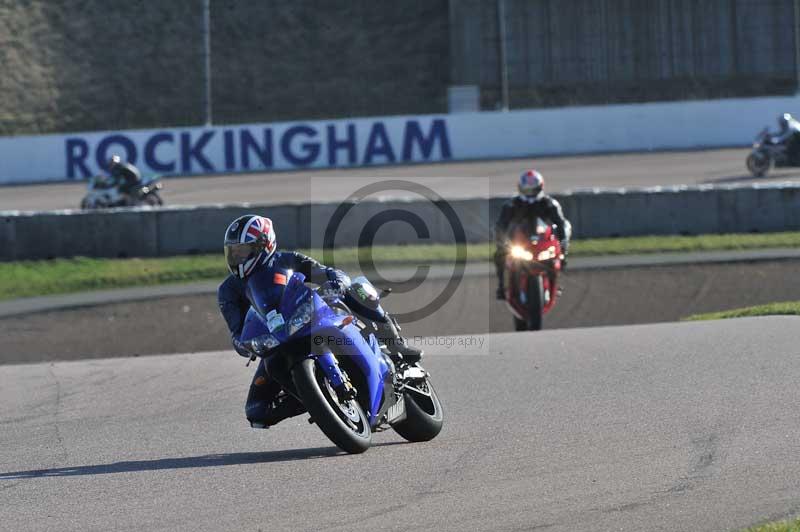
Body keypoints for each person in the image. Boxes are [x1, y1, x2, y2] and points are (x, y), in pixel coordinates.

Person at [218, 214, 423, 428]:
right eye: (232, 251)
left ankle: (395, 341)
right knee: (256, 411)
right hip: (277, 340)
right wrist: (243, 345)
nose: (236, 257)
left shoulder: (286, 260)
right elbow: (237, 330)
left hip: (309, 317)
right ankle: (316, 399)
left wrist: (336, 282)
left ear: (263, 244)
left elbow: (324, 272)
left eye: (242, 250)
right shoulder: (228, 291)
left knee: (357, 289)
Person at [494, 169, 572, 300]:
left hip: (543, 241)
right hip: (519, 242)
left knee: (560, 256)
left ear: (540, 187)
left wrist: (562, 244)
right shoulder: (511, 204)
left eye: (533, 189)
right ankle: (501, 286)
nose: (530, 193)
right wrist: (502, 242)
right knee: (499, 255)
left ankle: (555, 283)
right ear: (520, 188)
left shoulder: (549, 203)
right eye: (527, 190)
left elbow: (561, 223)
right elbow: (500, 226)